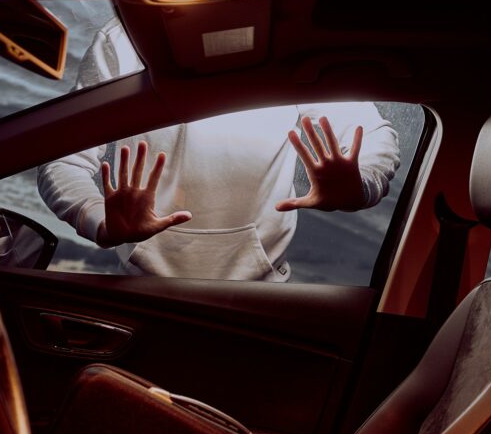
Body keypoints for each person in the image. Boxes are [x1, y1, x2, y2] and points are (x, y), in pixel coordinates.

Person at [38, 17, 400, 281]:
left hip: (261, 295)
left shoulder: (288, 40)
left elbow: (375, 135)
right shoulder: (125, 40)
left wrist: (360, 186)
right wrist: (100, 221)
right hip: (143, 289)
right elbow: (60, 159)